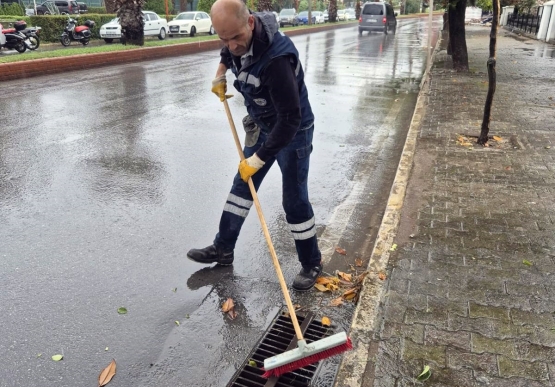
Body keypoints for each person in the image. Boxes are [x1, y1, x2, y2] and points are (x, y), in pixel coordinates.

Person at [186, 0, 322, 291]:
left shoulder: (277, 60)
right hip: (262, 124)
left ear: (250, 23)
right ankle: (223, 248)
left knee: (294, 201)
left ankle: (311, 263)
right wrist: (221, 71)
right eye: (223, 38)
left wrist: (258, 159)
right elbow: (228, 49)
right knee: (241, 187)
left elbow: (290, 119)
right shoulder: (234, 35)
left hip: (293, 131)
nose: (231, 45)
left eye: (235, 37)